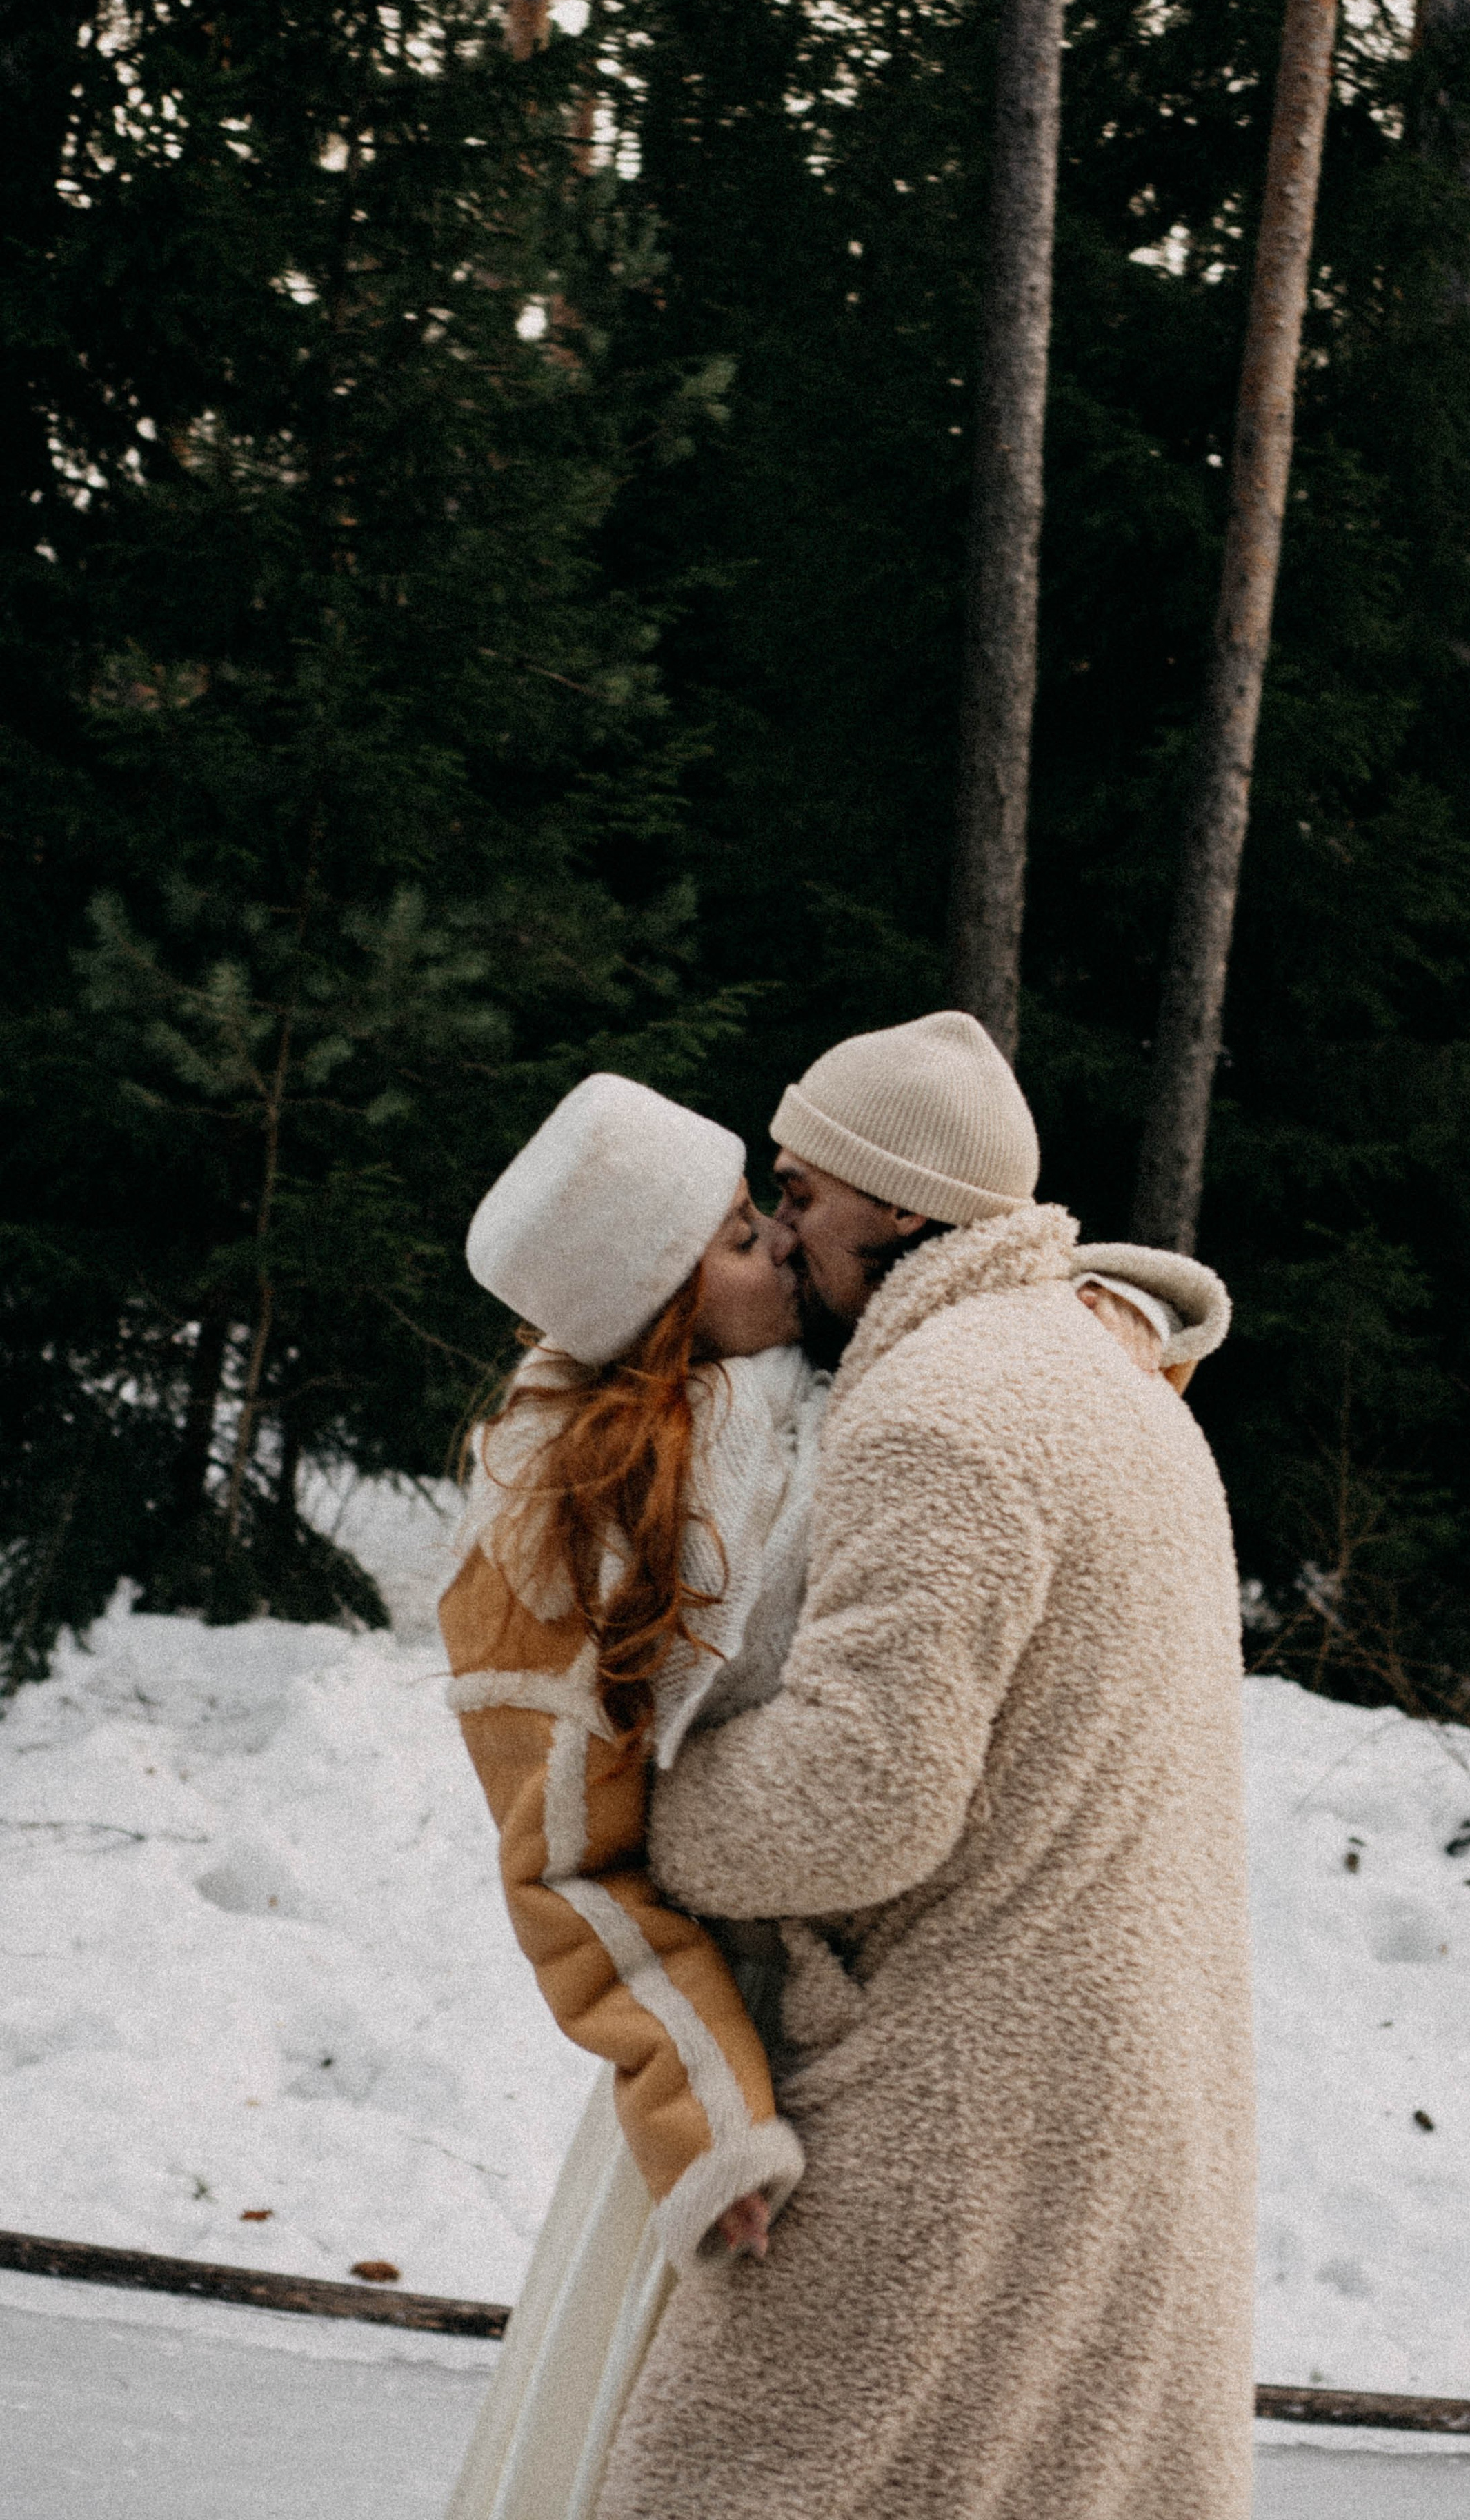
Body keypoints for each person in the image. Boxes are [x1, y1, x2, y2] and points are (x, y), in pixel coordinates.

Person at [438, 1056, 1228, 2520]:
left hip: (937, 2062)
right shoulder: (1046, 1367)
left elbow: (858, 1793)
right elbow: (567, 1842)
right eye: (750, 1221)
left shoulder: (929, 1398)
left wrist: (657, 1816)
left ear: (892, 1202)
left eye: (785, 1202)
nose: (782, 1239)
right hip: (935, 2055)